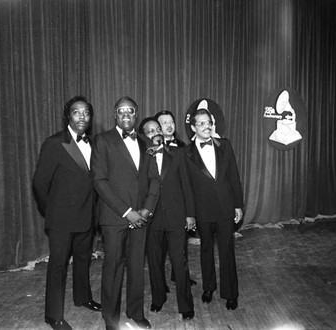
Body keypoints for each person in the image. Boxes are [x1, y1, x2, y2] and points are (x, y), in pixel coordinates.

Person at [91, 96, 160, 330]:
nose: (126, 114)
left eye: (130, 110)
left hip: (142, 217)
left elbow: (154, 180)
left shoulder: (146, 143)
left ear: (137, 114)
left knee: (137, 267)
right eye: (121, 111)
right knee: (113, 268)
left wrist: (146, 210)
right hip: (114, 218)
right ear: (115, 115)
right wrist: (127, 212)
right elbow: (99, 181)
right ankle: (111, 319)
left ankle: (135, 312)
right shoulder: (102, 141)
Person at [33, 96, 101, 330]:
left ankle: (83, 298)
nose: (82, 116)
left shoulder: (93, 144)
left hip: (86, 216)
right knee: (58, 266)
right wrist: (51, 211)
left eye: (86, 113)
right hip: (61, 219)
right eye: (76, 112)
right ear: (67, 117)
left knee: (83, 260)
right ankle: (53, 316)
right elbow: (40, 184)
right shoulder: (54, 143)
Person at [185, 105, 244, 311]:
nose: (206, 126)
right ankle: (208, 287)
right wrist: (190, 214)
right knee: (206, 249)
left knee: (227, 251)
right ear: (193, 127)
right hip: (202, 210)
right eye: (201, 123)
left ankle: (230, 293)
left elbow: (234, 177)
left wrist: (238, 205)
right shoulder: (187, 152)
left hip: (226, 208)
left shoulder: (225, 145)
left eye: (208, 123)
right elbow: (187, 187)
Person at [138, 117, 195, 320]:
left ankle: (186, 305)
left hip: (176, 216)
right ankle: (158, 299)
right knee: (154, 262)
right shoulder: (141, 157)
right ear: (144, 136)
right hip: (152, 218)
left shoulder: (178, 154)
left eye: (157, 129)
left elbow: (187, 185)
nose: (155, 133)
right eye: (150, 131)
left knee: (180, 262)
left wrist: (190, 214)